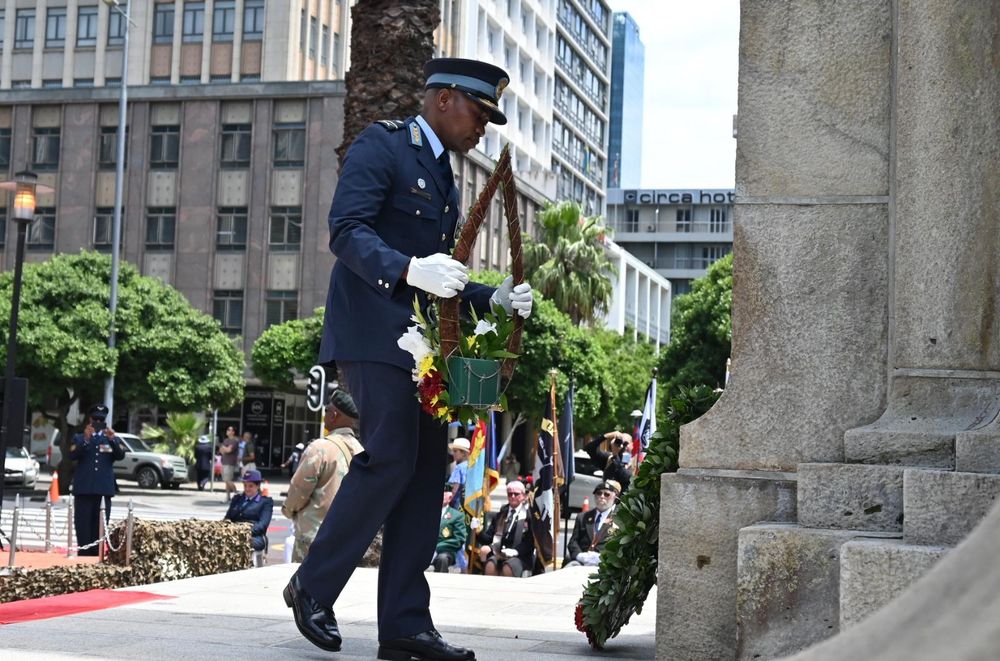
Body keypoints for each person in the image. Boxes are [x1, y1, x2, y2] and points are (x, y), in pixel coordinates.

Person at [284, 57, 533, 661]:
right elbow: (346, 230)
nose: (482, 128)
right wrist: (408, 268)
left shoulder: (444, 174)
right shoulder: (384, 144)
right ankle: (312, 586)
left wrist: (490, 297)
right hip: (372, 334)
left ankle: (404, 626)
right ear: (444, 98)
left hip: (422, 348)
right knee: (392, 456)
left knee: (423, 478)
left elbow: (439, 277)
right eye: (479, 113)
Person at [282, 390, 363, 563]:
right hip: (345, 538)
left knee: (302, 579)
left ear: (334, 415)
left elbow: (299, 490)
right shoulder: (360, 450)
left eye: (326, 410)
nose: (325, 415)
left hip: (313, 537)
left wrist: (288, 510)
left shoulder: (320, 448)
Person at [69, 404, 126, 556]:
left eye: (101, 420)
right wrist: (86, 440)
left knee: (100, 526)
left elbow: (121, 455)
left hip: (103, 490)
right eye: (95, 420)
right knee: (83, 526)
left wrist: (113, 439)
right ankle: (84, 555)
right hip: (84, 490)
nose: (98, 423)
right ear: (90, 420)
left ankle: (97, 555)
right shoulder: (79, 438)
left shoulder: (110, 439)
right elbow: (72, 455)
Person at [477, 479, 534, 577]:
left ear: (523, 496)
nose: (512, 496)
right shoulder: (501, 514)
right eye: (510, 494)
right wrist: (478, 531)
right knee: (490, 565)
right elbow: (489, 539)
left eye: (516, 494)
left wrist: (516, 551)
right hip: (499, 553)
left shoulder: (529, 515)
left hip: (520, 556)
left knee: (508, 567)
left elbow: (530, 542)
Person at [564, 480, 621, 567]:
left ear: (614, 498)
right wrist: (580, 556)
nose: (602, 496)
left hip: (605, 565)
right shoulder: (582, 517)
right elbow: (573, 542)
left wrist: (602, 558)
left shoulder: (619, 520)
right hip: (581, 563)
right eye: (599, 493)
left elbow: (619, 547)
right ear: (594, 496)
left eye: (607, 494)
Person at [224, 469, 274, 553]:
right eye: (245, 485)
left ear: (258, 486)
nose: (247, 489)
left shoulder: (265, 502)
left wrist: (243, 531)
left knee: (240, 543)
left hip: (254, 536)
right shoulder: (237, 499)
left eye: (250, 486)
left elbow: (262, 525)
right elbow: (227, 519)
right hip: (233, 533)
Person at [433, 486, 468, 573]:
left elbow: (459, 539)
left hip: (445, 551)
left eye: (445, 494)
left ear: (450, 498)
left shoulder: (456, 516)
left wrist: (437, 547)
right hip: (426, 549)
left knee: (442, 558)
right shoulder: (427, 512)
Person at [447, 437, 470, 512]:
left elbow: (454, 488)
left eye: (455, 451)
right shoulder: (470, 466)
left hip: (456, 505)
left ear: (464, 453)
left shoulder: (459, 468)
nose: (453, 454)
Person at [219, 425, 240, 501]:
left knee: (228, 480)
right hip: (224, 462)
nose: (227, 431)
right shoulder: (226, 440)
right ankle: (228, 497)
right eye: (227, 429)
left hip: (230, 463)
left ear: (233, 432)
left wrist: (224, 448)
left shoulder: (235, 441)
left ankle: (237, 493)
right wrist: (225, 448)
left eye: (229, 429)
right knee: (226, 481)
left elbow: (228, 450)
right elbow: (221, 451)